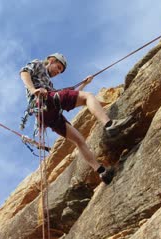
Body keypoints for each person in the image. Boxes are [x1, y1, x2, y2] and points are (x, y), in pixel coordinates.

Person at [20, 53, 131, 184]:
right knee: (88, 96)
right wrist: (33, 90)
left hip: (48, 114)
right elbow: (24, 72)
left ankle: (102, 172)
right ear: (51, 60)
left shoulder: (48, 83)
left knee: (79, 140)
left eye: (60, 70)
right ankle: (109, 124)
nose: (58, 72)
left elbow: (69, 97)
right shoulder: (38, 63)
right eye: (58, 67)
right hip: (44, 100)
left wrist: (85, 83)